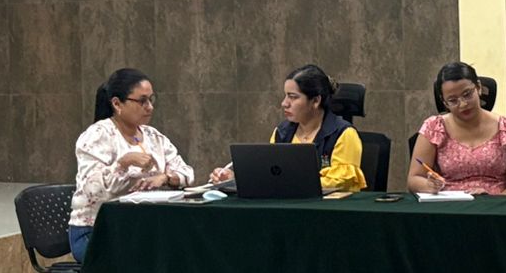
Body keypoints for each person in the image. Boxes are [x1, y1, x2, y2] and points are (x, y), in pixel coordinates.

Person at [68, 68, 194, 262]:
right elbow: (93, 190)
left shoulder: (153, 136)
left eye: (151, 99)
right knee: (152, 260)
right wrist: (123, 163)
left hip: (143, 228)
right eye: (142, 101)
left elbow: (187, 173)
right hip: (97, 232)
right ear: (117, 104)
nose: (149, 107)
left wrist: (166, 178)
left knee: (186, 251)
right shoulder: (97, 136)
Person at [209, 64, 365, 193]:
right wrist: (235, 179)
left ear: (316, 101)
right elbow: (269, 174)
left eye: (293, 97)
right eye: (285, 96)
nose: (284, 103)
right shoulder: (282, 133)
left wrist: (288, 182)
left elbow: (341, 183)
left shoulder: (343, 134)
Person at [409, 61, 506, 194]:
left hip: (496, 203)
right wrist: (429, 185)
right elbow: (414, 179)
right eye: (453, 100)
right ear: (444, 102)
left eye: (467, 94)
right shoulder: (434, 127)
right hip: (449, 203)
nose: (463, 104)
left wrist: (494, 200)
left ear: (478, 88)